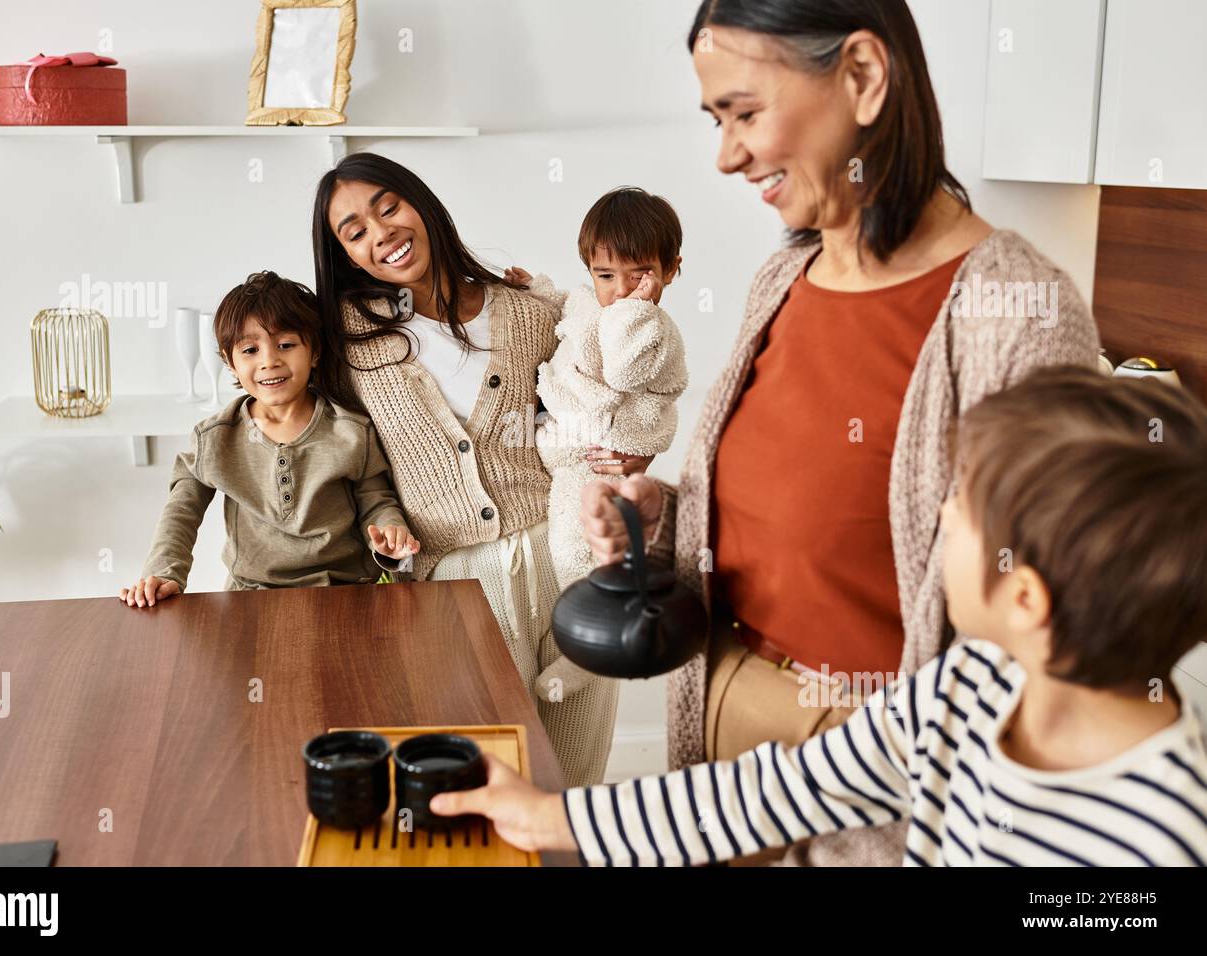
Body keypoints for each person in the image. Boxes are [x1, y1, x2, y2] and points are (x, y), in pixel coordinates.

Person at [573, 0, 1100, 865]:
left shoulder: (1018, 312)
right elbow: (788, 511)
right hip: (720, 726)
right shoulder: (784, 276)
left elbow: (1054, 632)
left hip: (884, 771)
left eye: (745, 112)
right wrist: (659, 517)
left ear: (862, 75)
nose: (727, 154)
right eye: (716, 120)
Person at [430, 368, 1207, 867]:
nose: (936, 515)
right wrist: (548, 820)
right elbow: (776, 790)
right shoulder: (971, 685)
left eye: (959, 507)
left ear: (1026, 598)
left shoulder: (1160, 835)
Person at [310, 154, 655, 787]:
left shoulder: (531, 307)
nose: (379, 232)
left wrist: (637, 450)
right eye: (354, 230)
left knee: (572, 784)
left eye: (388, 206)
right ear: (345, 256)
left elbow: (606, 395)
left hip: (565, 561)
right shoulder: (343, 341)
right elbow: (330, 451)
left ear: (422, 203)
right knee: (472, 790)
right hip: (452, 590)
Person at [121, 271, 417, 607]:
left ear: (315, 352)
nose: (269, 361)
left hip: (347, 591)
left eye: (286, 345)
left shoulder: (351, 431)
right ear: (229, 362)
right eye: (249, 349)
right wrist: (164, 572)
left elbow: (376, 500)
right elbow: (182, 509)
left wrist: (391, 532)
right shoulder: (215, 438)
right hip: (251, 596)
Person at [515, 186, 689, 700]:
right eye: (605, 275)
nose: (620, 289)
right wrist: (533, 288)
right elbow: (568, 306)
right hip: (569, 447)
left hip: (603, 456)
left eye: (639, 275)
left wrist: (633, 311)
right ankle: (578, 638)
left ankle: (588, 653)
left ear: (671, 269)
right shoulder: (593, 301)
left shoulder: (651, 328)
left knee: (581, 552)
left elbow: (623, 367)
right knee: (562, 553)